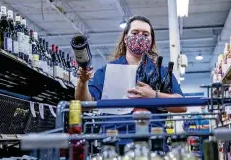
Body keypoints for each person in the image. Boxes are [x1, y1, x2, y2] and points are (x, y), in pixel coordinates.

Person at [75, 16, 187, 148]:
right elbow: (85, 103)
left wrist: (154, 95)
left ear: (151, 41)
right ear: (125, 38)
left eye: (145, 34)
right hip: (114, 142)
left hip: (154, 142)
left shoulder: (161, 72)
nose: (140, 37)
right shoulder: (108, 71)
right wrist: (82, 81)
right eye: (134, 33)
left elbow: (182, 105)